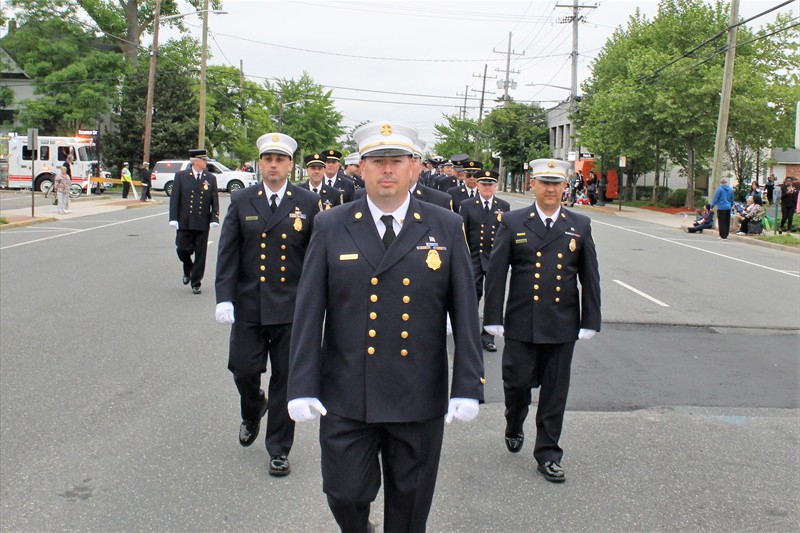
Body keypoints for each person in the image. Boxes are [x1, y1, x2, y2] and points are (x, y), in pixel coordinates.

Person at [287, 121, 484, 532]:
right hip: (346, 389)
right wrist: (301, 384)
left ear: (414, 167)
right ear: (362, 168)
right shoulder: (331, 224)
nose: (387, 169)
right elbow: (309, 312)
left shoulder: (443, 225)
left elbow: (465, 312)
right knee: (344, 493)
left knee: (410, 506)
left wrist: (468, 384)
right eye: (377, 161)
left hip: (417, 391)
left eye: (397, 160)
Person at [483, 158, 601, 484]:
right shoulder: (512, 221)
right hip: (521, 321)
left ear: (566, 187)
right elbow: (496, 274)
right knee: (517, 384)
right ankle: (513, 421)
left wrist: (590, 319)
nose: (550, 189)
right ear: (532, 184)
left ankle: (548, 453)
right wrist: (492, 318)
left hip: (562, 323)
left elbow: (590, 278)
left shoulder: (579, 224)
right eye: (544, 182)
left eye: (557, 183)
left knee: (555, 392)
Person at [215, 133, 320, 477]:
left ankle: (279, 449)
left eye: (280, 159)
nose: (273, 165)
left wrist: (318, 302)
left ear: (291, 165)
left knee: (286, 381)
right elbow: (228, 252)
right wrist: (224, 297)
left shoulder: (306, 202)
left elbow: (315, 258)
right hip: (250, 305)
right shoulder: (243, 199)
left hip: (291, 308)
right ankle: (252, 407)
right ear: (260, 164)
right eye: (267, 159)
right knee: (243, 369)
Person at [459, 169, 510, 352]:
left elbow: (507, 235)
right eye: (483, 184)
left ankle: (488, 336)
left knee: (493, 298)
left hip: (495, 258)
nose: (487, 188)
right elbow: (461, 232)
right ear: (478, 186)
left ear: (495, 186)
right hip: (473, 257)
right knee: (471, 296)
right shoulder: (467, 205)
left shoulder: (503, 206)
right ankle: (470, 334)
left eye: (490, 184)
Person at [168, 149, 220, 294]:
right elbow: (175, 199)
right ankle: (188, 267)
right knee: (182, 248)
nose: (206, 162)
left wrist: (214, 217)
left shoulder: (210, 178)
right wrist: (173, 218)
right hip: (185, 221)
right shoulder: (181, 176)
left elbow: (214, 200)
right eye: (204, 160)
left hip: (202, 222)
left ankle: (196, 282)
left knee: (201, 253)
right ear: (195, 161)